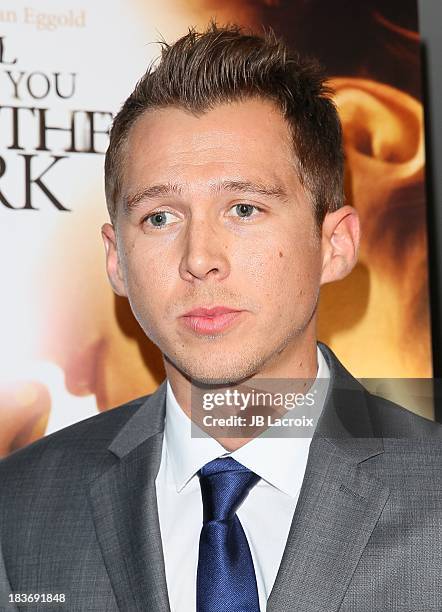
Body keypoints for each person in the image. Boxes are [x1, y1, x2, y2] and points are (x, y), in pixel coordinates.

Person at [0, 23, 441, 612]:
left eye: (243, 208)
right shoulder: (18, 510)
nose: (199, 259)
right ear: (116, 260)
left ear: (334, 244)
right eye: (159, 217)